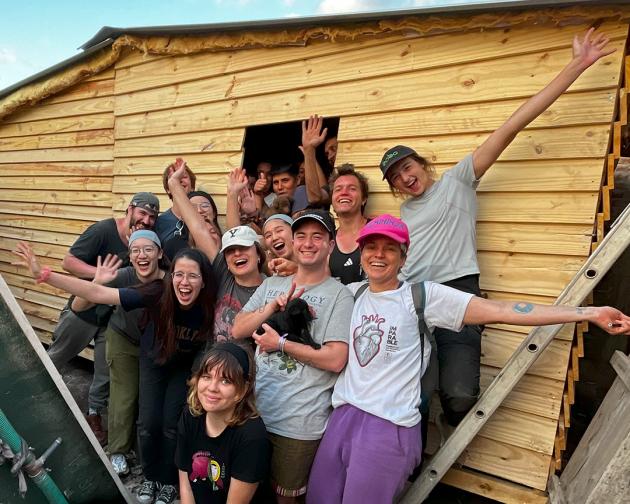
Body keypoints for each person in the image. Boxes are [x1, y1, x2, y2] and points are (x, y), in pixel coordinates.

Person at [379, 28, 616, 430]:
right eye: (396, 177)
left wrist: (577, 65)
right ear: (394, 187)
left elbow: (514, 125)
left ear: (422, 164)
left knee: (458, 395)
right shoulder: (402, 219)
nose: (406, 177)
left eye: (408, 167)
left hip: (459, 294)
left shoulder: (458, 180)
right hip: (414, 303)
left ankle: (447, 422)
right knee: (410, 396)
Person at [307, 215, 630, 503]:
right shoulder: (350, 293)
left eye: (389, 248)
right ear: (360, 254)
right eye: (371, 247)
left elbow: (503, 310)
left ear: (404, 257)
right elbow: (308, 289)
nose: (378, 255)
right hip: (343, 416)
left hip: (387, 427)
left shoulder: (423, 296)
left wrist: (588, 312)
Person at [13, 242, 218, 504]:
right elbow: (98, 293)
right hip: (153, 361)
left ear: (203, 281)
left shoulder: (209, 305)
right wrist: (44, 274)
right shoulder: (158, 291)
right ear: (171, 276)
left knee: (170, 425)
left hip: (181, 369)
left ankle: (168, 482)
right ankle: (151, 476)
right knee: (147, 423)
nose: (184, 282)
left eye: (193, 275)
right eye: (179, 274)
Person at [232, 210, 353, 503]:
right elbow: (238, 328)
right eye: (301, 236)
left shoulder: (340, 295)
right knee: (249, 490)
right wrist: (273, 306)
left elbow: (337, 359)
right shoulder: (273, 284)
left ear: (331, 244)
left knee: (286, 498)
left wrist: (281, 344)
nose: (307, 243)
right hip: (256, 412)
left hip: (299, 423)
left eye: (317, 237)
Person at [50, 191, 160, 444]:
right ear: (129, 209)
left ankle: (93, 415)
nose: (146, 220)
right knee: (57, 356)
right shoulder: (103, 230)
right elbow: (68, 261)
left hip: (111, 318)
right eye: (142, 213)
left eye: (152, 216)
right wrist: (98, 274)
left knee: (103, 372)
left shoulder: (142, 242)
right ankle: (32, 392)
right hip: (84, 309)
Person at [71, 230, 169, 476]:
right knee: (123, 395)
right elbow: (78, 305)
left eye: (148, 249)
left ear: (160, 253)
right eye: (136, 250)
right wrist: (97, 282)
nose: (142, 255)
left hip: (154, 344)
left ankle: (146, 451)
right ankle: (117, 451)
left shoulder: (170, 280)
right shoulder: (122, 275)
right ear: (131, 256)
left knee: (149, 398)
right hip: (122, 337)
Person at [169, 163, 266, 341]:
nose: (237, 253)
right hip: (213, 358)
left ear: (258, 254)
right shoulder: (224, 274)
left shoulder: (270, 287)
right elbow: (198, 228)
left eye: (244, 248)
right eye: (230, 251)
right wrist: (175, 185)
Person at [176, 342, 271, 504]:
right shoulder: (191, 415)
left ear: (242, 390)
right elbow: (186, 486)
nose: (212, 388)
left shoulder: (252, 436)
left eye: (225, 381)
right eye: (206, 377)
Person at [328, 164, 370, 284]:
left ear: (363, 199)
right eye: (338, 189)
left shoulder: (378, 231)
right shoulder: (327, 241)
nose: (344, 193)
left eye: (352, 188)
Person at [155, 158, 197, 243]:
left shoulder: (201, 216)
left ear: (192, 186)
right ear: (168, 189)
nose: (179, 179)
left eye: (184, 176)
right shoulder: (159, 223)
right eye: (173, 177)